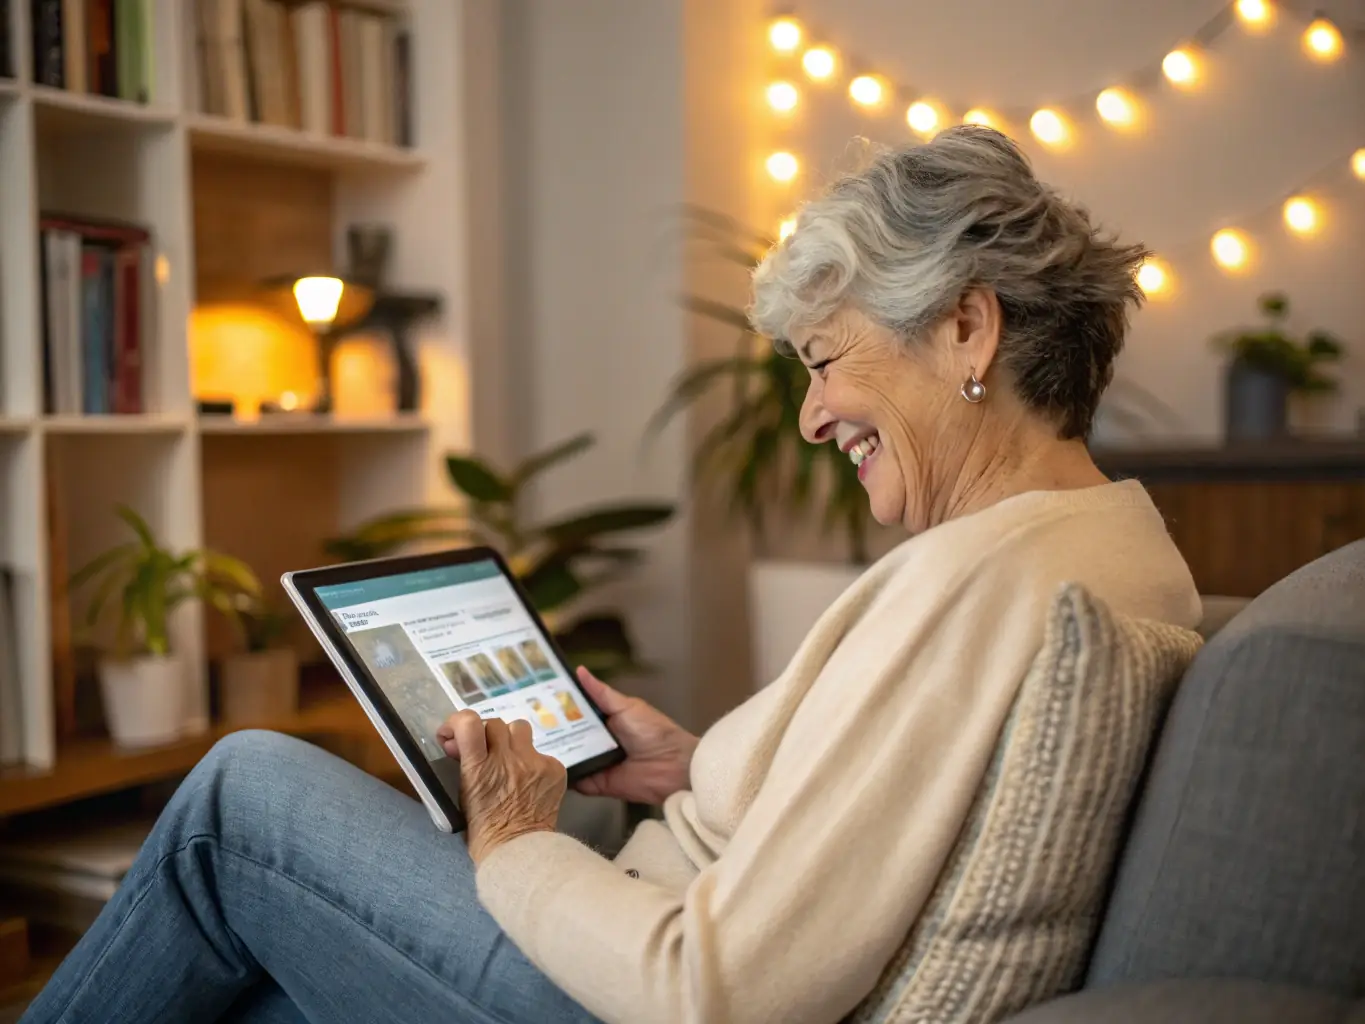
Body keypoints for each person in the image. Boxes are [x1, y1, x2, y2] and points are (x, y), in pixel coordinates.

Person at [20, 126, 1200, 1024]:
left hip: (611, 996)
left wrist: (514, 839)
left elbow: (718, 984)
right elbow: (881, 798)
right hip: (626, 925)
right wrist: (690, 768)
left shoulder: (982, 585)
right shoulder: (1096, 541)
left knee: (240, 797)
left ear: (968, 329)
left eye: (827, 359)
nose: (809, 416)